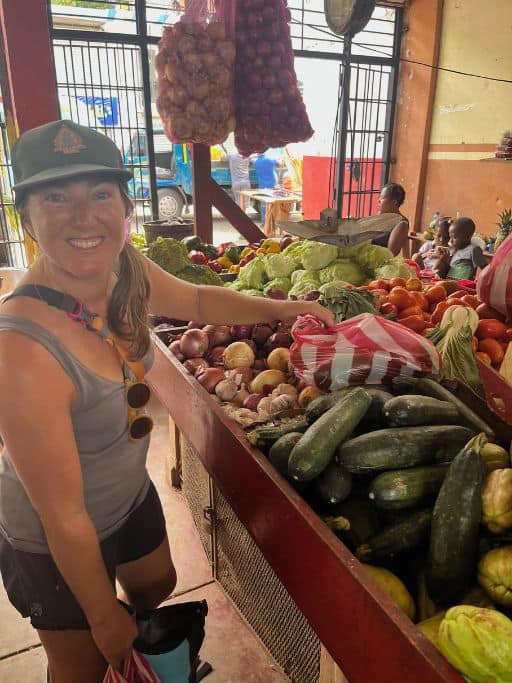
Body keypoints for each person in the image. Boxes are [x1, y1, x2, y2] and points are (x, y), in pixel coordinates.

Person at [0, 120, 334, 683]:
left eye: (100, 194)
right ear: (24, 215)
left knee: (156, 584)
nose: (84, 217)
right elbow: (64, 516)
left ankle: (147, 653)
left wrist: (281, 309)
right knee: (80, 663)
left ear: (123, 203)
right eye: (56, 197)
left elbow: (199, 298)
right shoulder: (20, 349)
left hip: (125, 492)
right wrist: (104, 616)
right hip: (52, 533)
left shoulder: (122, 270)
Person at [437, 216, 488, 281]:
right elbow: (450, 269)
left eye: (454, 237)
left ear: (467, 237)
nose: (451, 241)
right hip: (449, 283)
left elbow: (485, 268)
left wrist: (478, 280)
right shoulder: (455, 251)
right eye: (450, 237)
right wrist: (443, 259)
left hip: (463, 285)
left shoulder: (473, 249)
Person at [373, 183, 409, 256]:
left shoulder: (401, 224)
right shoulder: (382, 216)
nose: (378, 201)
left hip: (376, 262)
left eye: (382, 198)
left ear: (394, 202)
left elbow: (390, 254)